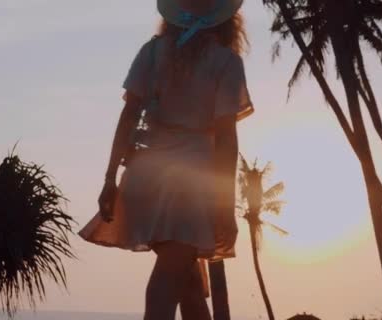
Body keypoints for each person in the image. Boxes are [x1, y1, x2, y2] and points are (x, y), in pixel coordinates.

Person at [78, 0, 253, 319]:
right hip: (190, 184)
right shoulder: (226, 62)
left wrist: (110, 180)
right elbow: (226, 140)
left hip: (145, 177)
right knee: (168, 280)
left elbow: (128, 115)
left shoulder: (152, 51)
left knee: (189, 285)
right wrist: (225, 208)